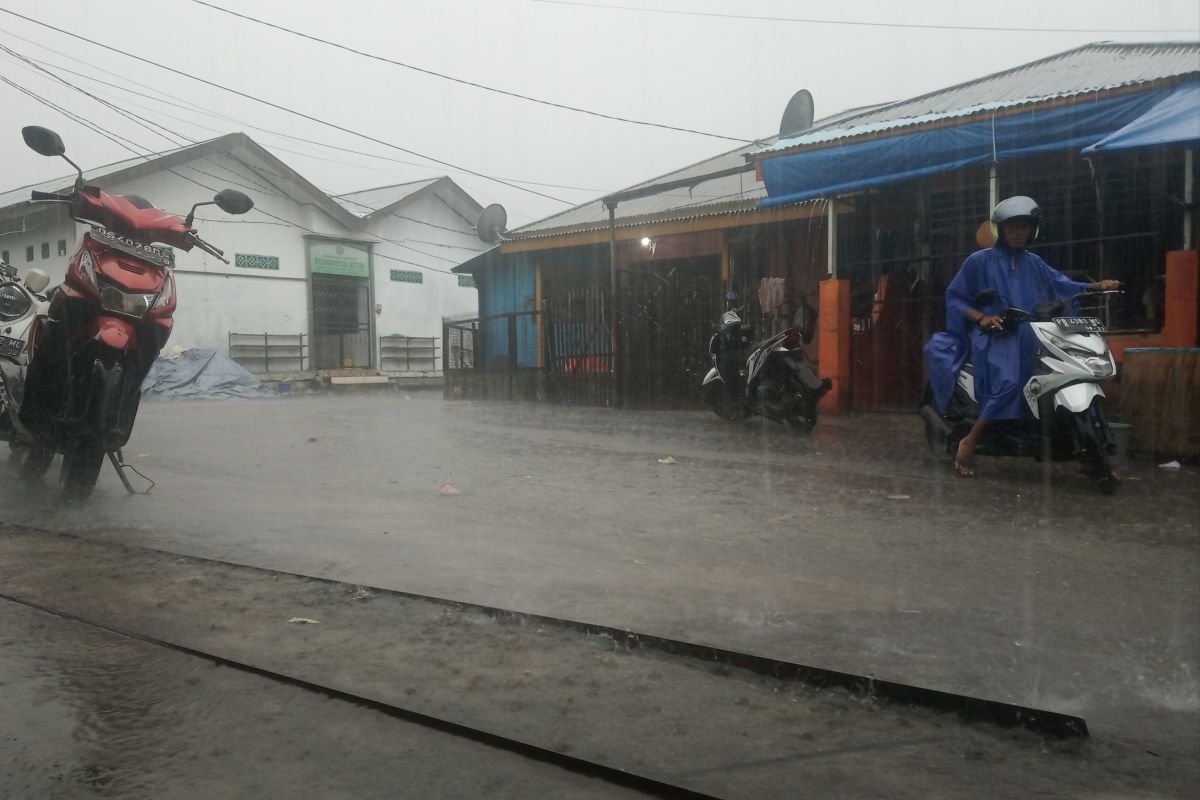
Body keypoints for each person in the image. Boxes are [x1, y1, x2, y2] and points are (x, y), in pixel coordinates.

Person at [925, 195, 1119, 476]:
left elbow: (1061, 284)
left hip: (1035, 333)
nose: (1018, 232)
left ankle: (1084, 447)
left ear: (1033, 230)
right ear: (1000, 230)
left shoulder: (1035, 262)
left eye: (1024, 227)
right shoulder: (979, 261)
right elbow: (956, 298)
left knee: (1059, 374)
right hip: (997, 335)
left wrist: (1095, 287)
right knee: (1011, 380)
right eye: (1012, 226)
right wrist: (983, 317)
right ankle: (970, 441)